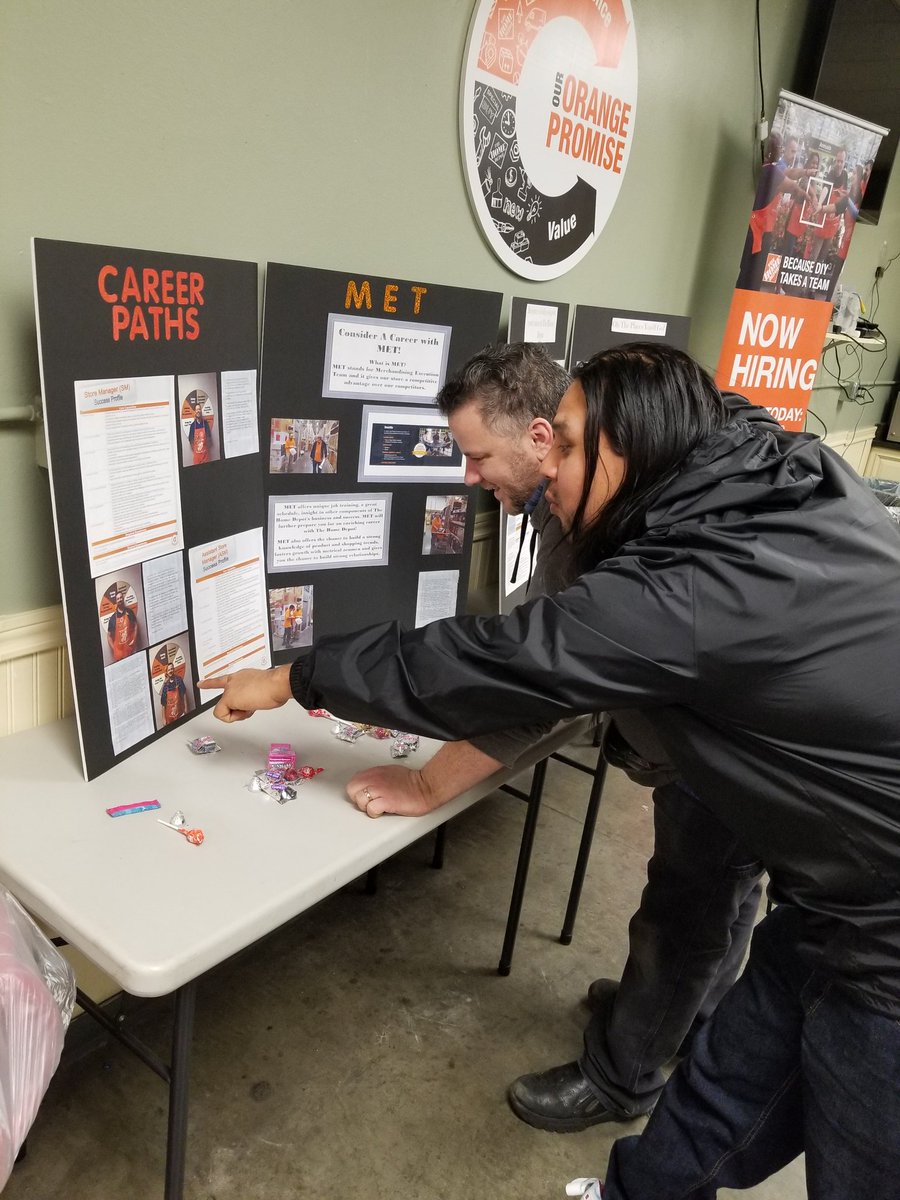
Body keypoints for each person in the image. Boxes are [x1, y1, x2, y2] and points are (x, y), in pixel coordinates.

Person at [201, 342, 900, 1197]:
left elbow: (511, 666)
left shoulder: (689, 588)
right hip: (827, 888)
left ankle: (630, 1069)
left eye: (564, 443)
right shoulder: (747, 457)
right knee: (707, 1105)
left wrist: (294, 678)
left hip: (884, 924)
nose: (547, 457)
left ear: (625, 444)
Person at [106, 588, 138, 661]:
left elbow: (135, 625)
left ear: (123, 599)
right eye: (118, 599)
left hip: (130, 649)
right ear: (116, 601)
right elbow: (109, 636)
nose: (120, 600)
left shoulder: (130, 612)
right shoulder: (113, 618)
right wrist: (114, 648)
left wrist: (134, 639)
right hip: (119, 653)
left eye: (121, 598)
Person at [188, 395, 213, 465]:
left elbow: (209, 438)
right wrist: (197, 450)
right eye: (196, 409)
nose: (198, 411)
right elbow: (190, 440)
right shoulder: (192, 425)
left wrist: (204, 447)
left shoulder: (205, 423)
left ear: (201, 410)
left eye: (199, 409)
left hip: (205, 455)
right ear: (195, 411)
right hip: (197, 457)